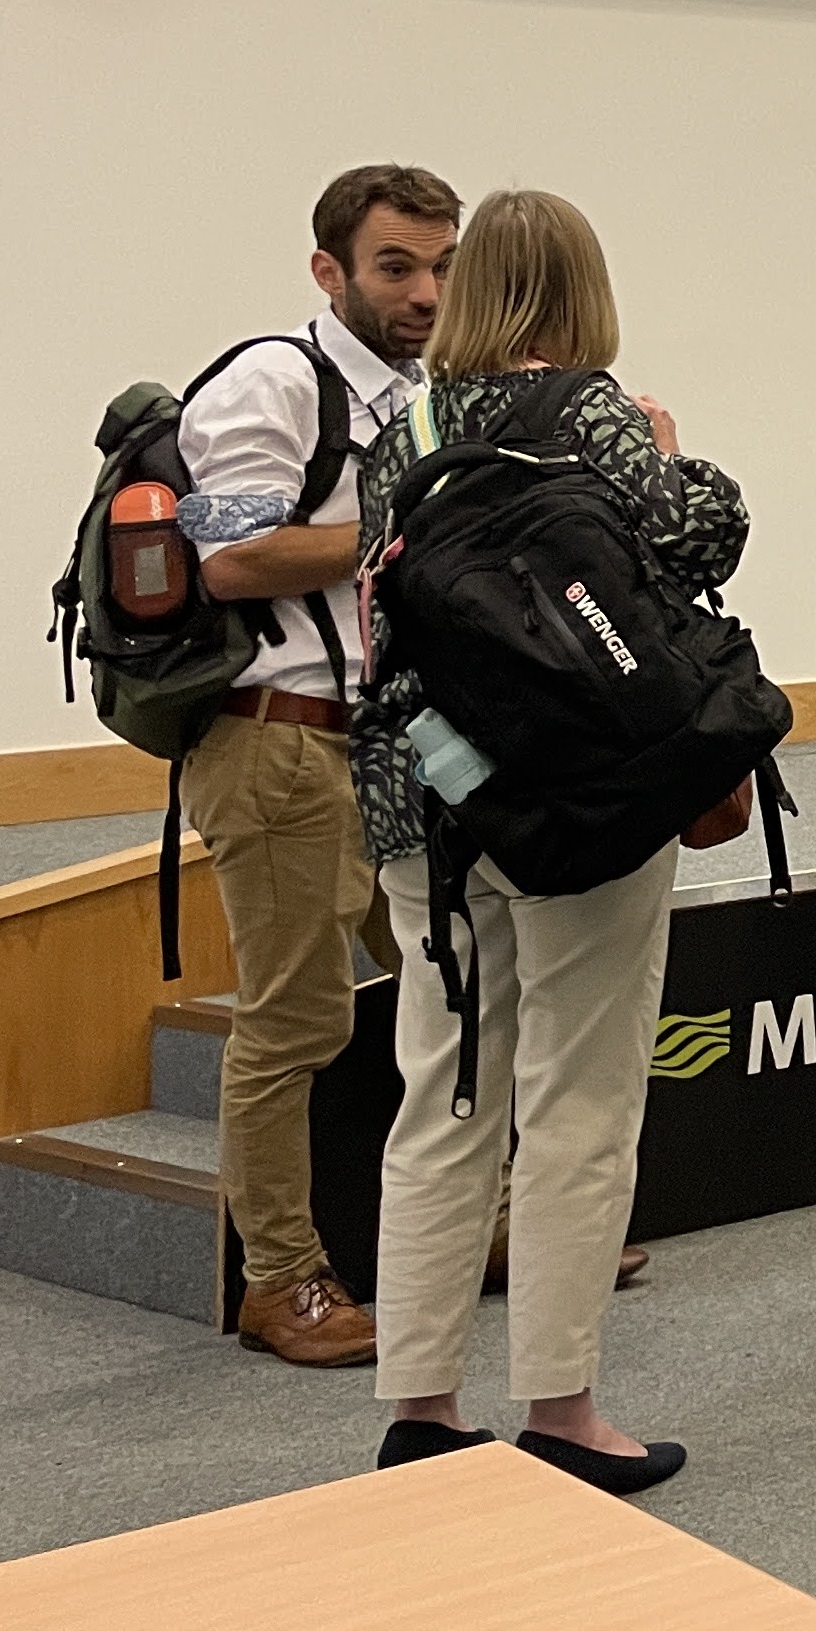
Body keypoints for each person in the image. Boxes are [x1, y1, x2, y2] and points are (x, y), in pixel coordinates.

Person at [356, 190, 737, 1496]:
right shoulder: (592, 411)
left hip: (424, 795)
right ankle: (563, 1411)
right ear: (583, 290)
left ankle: (419, 1407)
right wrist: (675, 458)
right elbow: (698, 546)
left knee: (441, 1094)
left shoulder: (401, 429)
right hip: (581, 799)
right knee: (578, 1096)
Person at [175, 161, 461, 1369]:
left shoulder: (419, 396)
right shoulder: (272, 383)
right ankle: (279, 1280)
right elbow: (229, 562)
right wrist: (401, 534)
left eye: (440, 267)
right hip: (277, 741)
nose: (426, 293)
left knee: (458, 974)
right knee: (293, 1023)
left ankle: (476, 1225)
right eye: (396, 267)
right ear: (328, 270)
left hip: (391, 742)